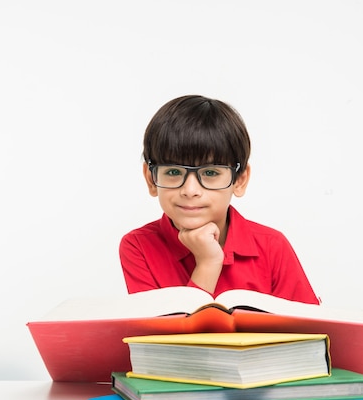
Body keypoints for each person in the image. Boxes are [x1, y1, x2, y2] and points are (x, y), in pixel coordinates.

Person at [119, 95, 319, 305]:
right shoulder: (138, 246)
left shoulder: (272, 247)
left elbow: (313, 330)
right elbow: (162, 337)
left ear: (239, 180)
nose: (190, 190)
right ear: (151, 179)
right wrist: (208, 263)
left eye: (211, 173)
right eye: (174, 171)